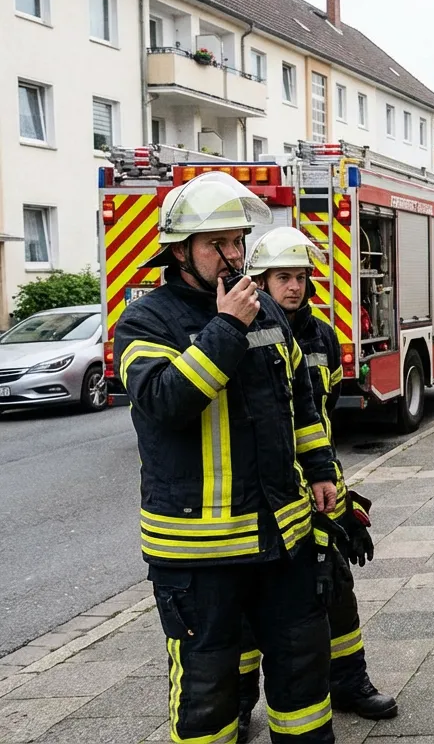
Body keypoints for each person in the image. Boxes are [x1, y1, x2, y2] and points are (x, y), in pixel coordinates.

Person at [115, 172, 343, 743]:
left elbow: (304, 403)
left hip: (283, 538)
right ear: (181, 250)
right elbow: (165, 402)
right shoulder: (145, 321)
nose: (233, 255)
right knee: (207, 696)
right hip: (199, 554)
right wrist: (224, 328)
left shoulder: (265, 310)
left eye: (238, 241)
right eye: (218, 244)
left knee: (303, 681)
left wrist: (319, 471)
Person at [232, 227, 396, 740]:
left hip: (321, 486)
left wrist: (333, 482)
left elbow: (320, 416)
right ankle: (238, 704)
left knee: (338, 591)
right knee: (250, 610)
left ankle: (349, 682)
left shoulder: (322, 336)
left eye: (302, 277)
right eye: (283, 277)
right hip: (267, 497)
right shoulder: (244, 331)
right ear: (258, 280)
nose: (295, 287)